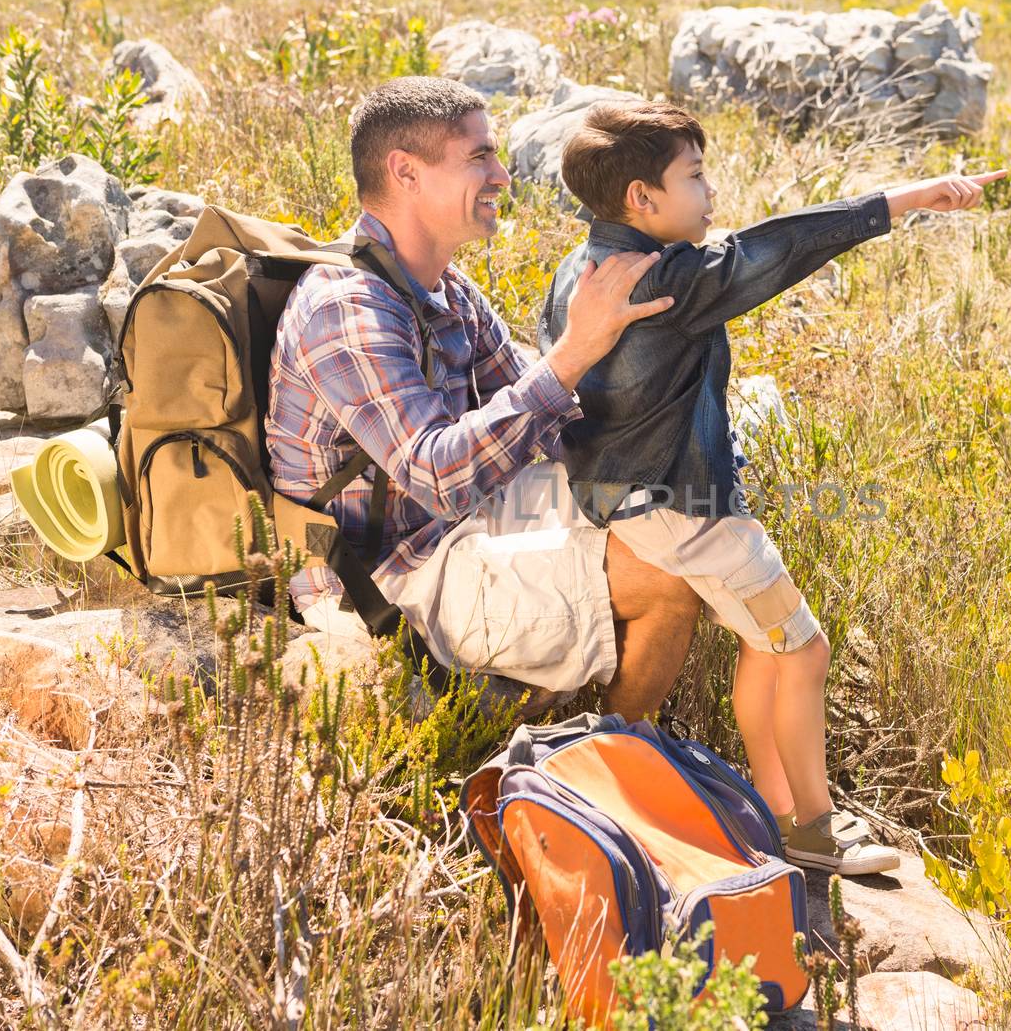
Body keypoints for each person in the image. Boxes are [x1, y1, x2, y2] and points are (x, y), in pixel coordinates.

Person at [539, 101, 1004, 874]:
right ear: (641, 199)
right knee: (806, 650)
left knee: (772, 644)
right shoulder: (672, 280)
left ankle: (782, 812)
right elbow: (778, 249)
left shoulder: (580, 267)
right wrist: (912, 196)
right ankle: (813, 831)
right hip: (685, 511)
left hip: (629, 504)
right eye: (694, 176)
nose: (711, 191)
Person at [266, 76, 702, 721]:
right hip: (382, 576)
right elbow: (437, 475)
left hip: (456, 524)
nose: (502, 175)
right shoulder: (345, 309)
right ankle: (613, 776)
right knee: (665, 580)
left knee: (686, 518)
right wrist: (575, 350)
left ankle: (584, 726)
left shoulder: (450, 291)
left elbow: (553, 426)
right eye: (479, 157)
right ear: (406, 173)